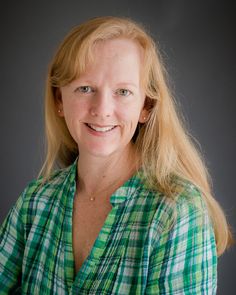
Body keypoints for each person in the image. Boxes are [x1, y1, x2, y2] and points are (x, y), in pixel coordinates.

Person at [0, 16, 233, 294]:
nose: (103, 109)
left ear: (145, 107)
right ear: (60, 100)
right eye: (85, 88)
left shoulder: (177, 212)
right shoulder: (35, 202)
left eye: (123, 92)